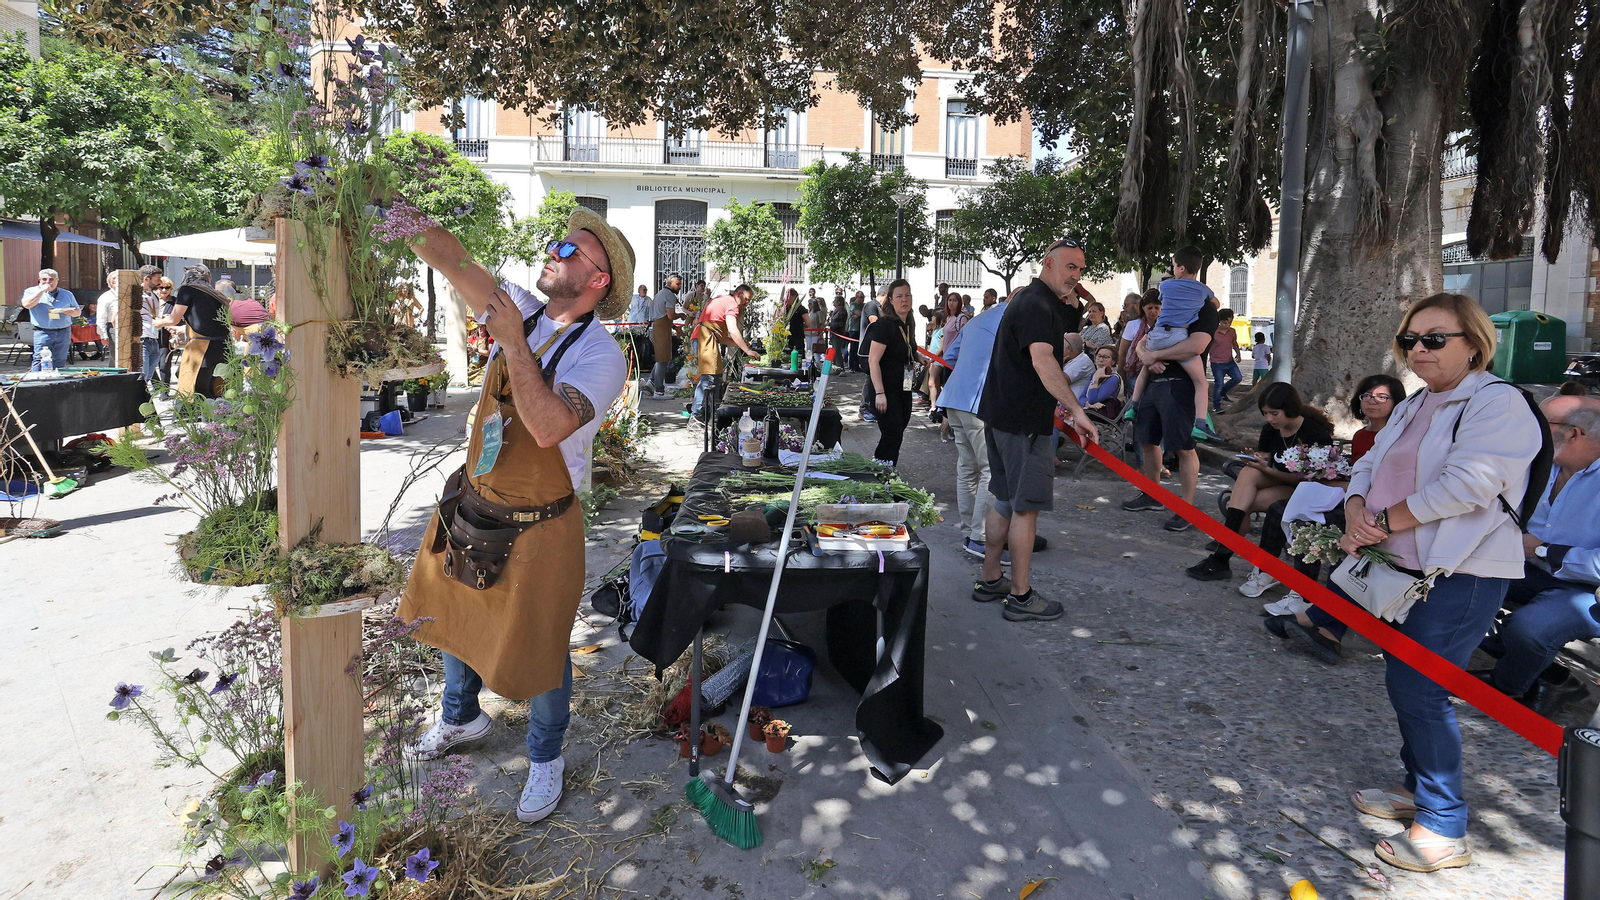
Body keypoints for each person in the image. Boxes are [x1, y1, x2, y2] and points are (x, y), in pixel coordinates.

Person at [1269, 293, 1542, 873]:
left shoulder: (1501, 404)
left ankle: (1445, 825)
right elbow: (1367, 463)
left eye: (1435, 339)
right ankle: (1420, 789)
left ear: (1474, 343)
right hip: (1400, 566)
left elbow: (1468, 485)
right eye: (1409, 341)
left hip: (1463, 571)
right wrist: (1357, 507)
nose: (1418, 349)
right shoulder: (1416, 403)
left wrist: (1379, 522)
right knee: (1406, 681)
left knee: (1420, 686)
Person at [399, 206, 632, 826]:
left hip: (543, 522)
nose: (552, 251)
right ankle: (461, 716)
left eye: (570, 250)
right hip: (477, 500)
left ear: (597, 281)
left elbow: (551, 425)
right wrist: (398, 213)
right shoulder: (521, 307)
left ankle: (546, 755)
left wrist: (513, 344)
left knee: (542, 642)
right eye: (556, 242)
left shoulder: (603, 356)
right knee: (457, 612)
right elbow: (452, 259)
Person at [973, 240, 1099, 622]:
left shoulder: (1035, 302)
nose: (1075, 276)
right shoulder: (1036, 303)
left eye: (1080, 269)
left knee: (1004, 500)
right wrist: (1077, 411)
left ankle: (991, 578)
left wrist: (1074, 312)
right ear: (1047, 264)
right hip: (1023, 423)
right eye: (1070, 267)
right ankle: (1021, 595)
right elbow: (1044, 359)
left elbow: (1049, 349)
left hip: (1001, 416)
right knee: (1025, 510)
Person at [1242, 374, 1407, 614]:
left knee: (1304, 521)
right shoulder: (1361, 436)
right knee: (1280, 509)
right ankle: (1267, 570)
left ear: (1396, 402)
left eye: (1382, 397)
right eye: (1367, 396)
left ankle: (1303, 593)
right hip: (1350, 496)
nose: (1373, 401)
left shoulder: (1400, 436)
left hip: (1377, 510)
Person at [1477, 393, 1600, 714]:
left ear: (1575, 433)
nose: (1532, 430)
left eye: (1543, 424)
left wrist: (1542, 549)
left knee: (1530, 631)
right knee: (1455, 586)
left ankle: (1509, 687)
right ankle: (1545, 671)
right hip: (1528, 567)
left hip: (1587, 589)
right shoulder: (1546, 463)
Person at [1185, 383, 1336, 581]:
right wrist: (1258, 460)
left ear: (1290, 408)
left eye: (1274, 413)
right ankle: (1222, 558)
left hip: (1307, 489)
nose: (1269, 419)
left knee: (1240, 505)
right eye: (1265, 413)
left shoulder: (1314, 434)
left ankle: (1221, 556)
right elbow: (1267, 458)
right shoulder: (1270, 430)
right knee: (1248, 475)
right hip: (1280, 483)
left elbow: (1309, 480)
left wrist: (1265, 469)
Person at [1119, 285, 1214, 532]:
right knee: (1147, 441)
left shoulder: (1203, 310)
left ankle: (1186, 508)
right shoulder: (1169, 309)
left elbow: (1196, 346)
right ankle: (1152, 494)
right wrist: (1148, 355)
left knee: (1184, 447)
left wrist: (1157, 356)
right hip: (1153, 384)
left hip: (1180, 387)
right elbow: (1142, 342)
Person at [939, 293, 1010, 559]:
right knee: (990, 469)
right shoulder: (1012, 318)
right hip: (977, 401)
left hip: (956, 397)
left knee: (967, 468)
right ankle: (980, 537)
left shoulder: (979, 318)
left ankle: (970, 532)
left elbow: (950, 354)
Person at [1126, 247, 1220, 441]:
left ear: (1181, 268)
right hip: (1178, 335)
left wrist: (1152, 356)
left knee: (1145, 370)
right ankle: (1200, 423)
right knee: (1201, 382)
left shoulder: (1166, 286)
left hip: (1158, 335)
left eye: (1173, 266)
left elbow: (1163, 299)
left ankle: (1133, 406)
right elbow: (1216, 303)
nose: (1172, 269)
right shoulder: (1203, 290)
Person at [152, 265, 231, 397]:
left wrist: (157, 322)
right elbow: (209, 321)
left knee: (194, 387)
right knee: (215, 387)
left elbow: (173, 319)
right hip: (224, 345)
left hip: (203, 347)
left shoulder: (188, 290)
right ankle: (213, 415)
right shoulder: (215, 294)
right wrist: (183, 329)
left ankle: (197, 415)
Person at [687, 284, 758, 420]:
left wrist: (742, 344)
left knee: (716, 376)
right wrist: (747, 350)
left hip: (704, 336)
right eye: (747, 299)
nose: (747, 303)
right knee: (708, 378)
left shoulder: (724, 300)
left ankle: (710, 412)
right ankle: (697, 415)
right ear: (739, 294)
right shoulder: (732, 304)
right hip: (705, 338)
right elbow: (732, 330)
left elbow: (724, 338)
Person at [865, 280, 917, 465]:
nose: (904, 300)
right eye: (899, 296)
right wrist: (880, 393)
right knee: (892, 433)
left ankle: (884, 470)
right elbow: (873, 360)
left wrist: (919, 358)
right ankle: (882, 473)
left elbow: (907, 350)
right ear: (891, 300)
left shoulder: (908, 323)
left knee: (897, 434)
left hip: (904, 387)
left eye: (907, 295)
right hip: (886, 390)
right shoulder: (885, 325)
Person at [19, 268, 80, 372]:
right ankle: (36, 382)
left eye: (51, 279)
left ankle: (57, 383)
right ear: (39, 280)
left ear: (57, 280)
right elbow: (26, 305)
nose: (47, 282)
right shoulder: (31, 291)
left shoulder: (67, 294)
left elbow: (77, 312)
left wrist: (68, 312)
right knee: (39, 359)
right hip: (43, 332)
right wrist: (41, 291)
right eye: (44, 279)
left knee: (60, 359)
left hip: (63, 331)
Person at [1117, 290, 1160, 389]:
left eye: (1156, 308)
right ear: (1143, 308)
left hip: (1157, 374)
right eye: (1150, 308)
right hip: (1134, 374)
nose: (1153, 311)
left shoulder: (1164, 326)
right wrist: (1122, 378)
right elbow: (1122, 354)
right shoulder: (1133, 325)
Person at [648, 274, 681, 397]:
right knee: (662, 360)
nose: (680, 287)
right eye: (677, 284)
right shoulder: (669, 295)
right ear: (670, 283)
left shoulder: (660, 293)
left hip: (656, 327)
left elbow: (664, 316)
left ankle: (651, 382)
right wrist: (681, 316)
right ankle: (659, 391)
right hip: (660, 329)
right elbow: (671, 315)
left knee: (661, 358)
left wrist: (675, 327)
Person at [1210, 309, 1244, 409]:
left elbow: (1234, 343)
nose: (1227, 325)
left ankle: (1223, 393)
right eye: (1225, 322)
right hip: (1217, 363)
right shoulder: (1213, 332)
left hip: (1230, 361)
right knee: (1218, 384)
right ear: (1219, 321)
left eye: (1230, 322)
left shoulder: (1232, 331)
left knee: (1238, 378)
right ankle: (1216, 406)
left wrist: (1238, 354)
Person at [860, 291, 884, 420]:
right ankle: (864, 407)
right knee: (870, 378)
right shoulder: (871, 305)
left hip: (875, 348)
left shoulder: (878, 307)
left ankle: (871, 406)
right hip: (867, 349)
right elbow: (874, 322)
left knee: (873, 378)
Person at [1078, 346, 1122, 413]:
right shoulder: (1095, 374)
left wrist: (1095, 379)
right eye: (1099, 356)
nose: (1101, 360)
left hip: (1104, 416)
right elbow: (1081, 398)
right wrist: (1088, 404)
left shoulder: (1113, 378)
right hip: (1091, 411)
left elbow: (1092, 399)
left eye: (1105, 357)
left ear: (1113, 362)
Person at [1061, 333, 1094, 399]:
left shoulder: (1083, 361)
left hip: (1074, 406)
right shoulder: (1072, 359)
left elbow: (1059, 381)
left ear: (1068, 349)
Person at [95, 271, 120, 354]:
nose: (116, 280)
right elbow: (101, 318)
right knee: (115, 357)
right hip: (113, 328)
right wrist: (103, 335)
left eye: (118, 277)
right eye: (113, 278)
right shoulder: (105, 297)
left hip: (129, 327)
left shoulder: (130, 294)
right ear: (109, 281)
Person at [783, 287, 810, 365]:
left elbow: (808, 323)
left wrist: (800, 325)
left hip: (797, 337)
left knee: (799, 357)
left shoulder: (801, 309)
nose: (787, 298)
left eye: (788, 296)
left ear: (794, 297)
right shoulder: (786, 308)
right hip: (787, 337)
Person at [827, 296, 849, 365]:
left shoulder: (842, 311)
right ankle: (836, 366)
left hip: (838, 333)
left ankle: (840, 367)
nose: (833, 302)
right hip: (833, 334)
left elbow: (841, 323)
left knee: (837, 352)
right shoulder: (836, 310)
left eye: (835, 300)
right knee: (834, 351)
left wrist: (830, 324)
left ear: (839, 302)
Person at [846, 293, 864, 371]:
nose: (862, 299)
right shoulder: (853, 304)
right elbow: (859, 313)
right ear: (856, 297)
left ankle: (857, 366)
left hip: (861, 329)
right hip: (854, 329)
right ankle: (851, 366)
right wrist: (859, 314)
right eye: (860, 297)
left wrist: (859, 314)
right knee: (853, 349)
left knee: (858, 349)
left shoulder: (863, 305)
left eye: (863, 297)